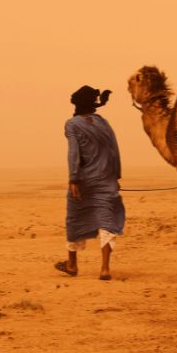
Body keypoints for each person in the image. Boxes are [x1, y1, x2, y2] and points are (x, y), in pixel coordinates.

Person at [54, 85, 125, 281]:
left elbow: (73, 153)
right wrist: (116, 177)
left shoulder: (72, 124)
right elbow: (114, 150)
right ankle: (104, 269)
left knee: (74, 218)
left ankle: (72, 264)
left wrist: (73, 178)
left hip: (84, 180)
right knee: (107, 222)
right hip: (107, 180)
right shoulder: (104, 123)